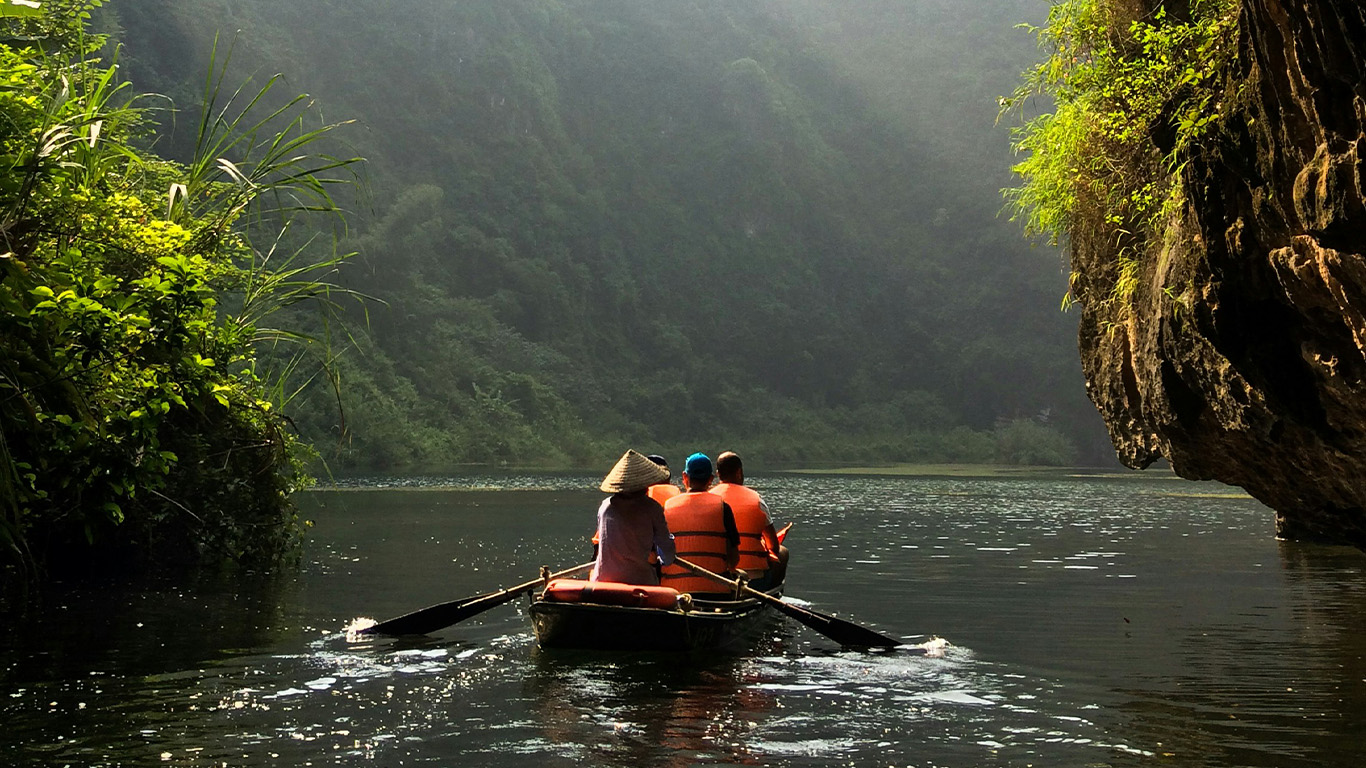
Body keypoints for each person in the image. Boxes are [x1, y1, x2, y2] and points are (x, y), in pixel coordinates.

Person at [590, 449, 676, 586]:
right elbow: (667, 552)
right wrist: (664, 560)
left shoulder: (605, 506)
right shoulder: (652, 507)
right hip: (638, 582)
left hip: (602, 580)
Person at [660, 453, 740, 595]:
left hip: (674, 593)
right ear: (710, 479)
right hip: (715, 594)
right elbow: (734, 560)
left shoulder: (666, 507)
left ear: (685, 477)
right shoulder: (723, 507)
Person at [711, 451, 788, 590]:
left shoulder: (709, 499)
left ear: (718, 474)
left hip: (716, 578)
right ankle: (771, 595)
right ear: (739, 472)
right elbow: (774, 547)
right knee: (783, 553)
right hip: (754, 580)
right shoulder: (756, 499)